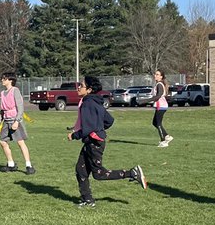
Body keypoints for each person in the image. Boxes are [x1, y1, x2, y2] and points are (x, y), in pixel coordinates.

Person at [66, 75, 146, 208]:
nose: (78, 87)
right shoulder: (97, 102)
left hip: (94, 143)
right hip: (92, 141)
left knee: (99, 174)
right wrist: (100, 128)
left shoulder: (87, 104)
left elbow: (87, 128)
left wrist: (74, 135)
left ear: (89, 90)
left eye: (81, 85)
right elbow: (110, 121)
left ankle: (132, 172)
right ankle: (88, 200)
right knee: (80, 170)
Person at [0, 73, 35, 174]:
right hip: (6, 121)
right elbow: (3, 111)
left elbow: (20, 108)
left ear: (10, 80)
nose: (2, 80)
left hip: (15, 120)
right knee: (3, 142)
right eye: (2, 78)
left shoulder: (15, 91)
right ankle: (11, 164)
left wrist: (17, 121)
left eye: (4, 78)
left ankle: (28, 165)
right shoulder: (3, 93)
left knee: (20, 143)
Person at [152, 69, 173, 146]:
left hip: (160, 106)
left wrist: (145, 100)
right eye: (155, 74)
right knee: (155, 123)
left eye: (157, 74)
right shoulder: (159, 84)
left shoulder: (159, 85)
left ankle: (163, 141)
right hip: (161, 106)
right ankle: (167, 136)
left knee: (158, 123)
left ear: (161, 77)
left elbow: (158, 96)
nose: (155, 75)